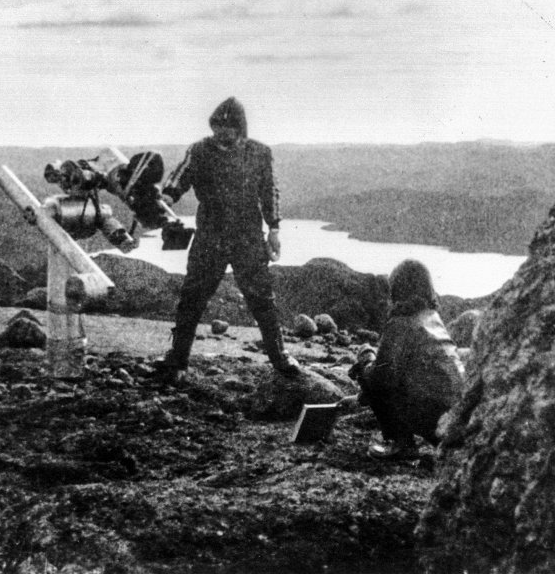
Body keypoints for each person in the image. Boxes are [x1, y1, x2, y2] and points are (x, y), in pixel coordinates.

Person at [152, 97, 303, 382]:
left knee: (261, 299)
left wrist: (274, 228)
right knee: (192, 297)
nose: (221, 132)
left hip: (248, 237)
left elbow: (269, 191)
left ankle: (280, 357)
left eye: (228, 128)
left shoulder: (259, 153)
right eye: (217, 127)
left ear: (240, 128)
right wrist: (167, 197)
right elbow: (179, 177)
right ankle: (177, 359)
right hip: (210, 235)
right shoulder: (199, 150)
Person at [340, 259, 465, 460]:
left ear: (396, 289)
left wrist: (365, 359)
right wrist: (361, 397)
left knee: (371, 371)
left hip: (433, 419)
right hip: (456, 416)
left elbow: (381, 378)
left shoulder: (400, 323)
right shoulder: (432, 317)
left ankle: (400, 443)